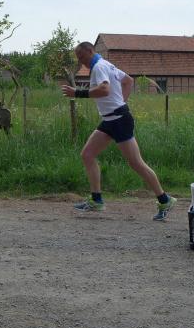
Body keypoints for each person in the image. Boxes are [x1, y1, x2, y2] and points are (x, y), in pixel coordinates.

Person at [61, 42, 177, 221]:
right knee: (87, 155)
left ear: (90, 51)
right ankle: (96, 200)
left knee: (136, 163)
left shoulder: (99, 67)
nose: (81, 61)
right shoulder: (106, 64)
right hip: (111, 119)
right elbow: (128, 80)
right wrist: (120, 103)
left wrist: (77, 93)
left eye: (82, 57)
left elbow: (104, 89)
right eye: (78, 58)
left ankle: (165, 199)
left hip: (119, 121)